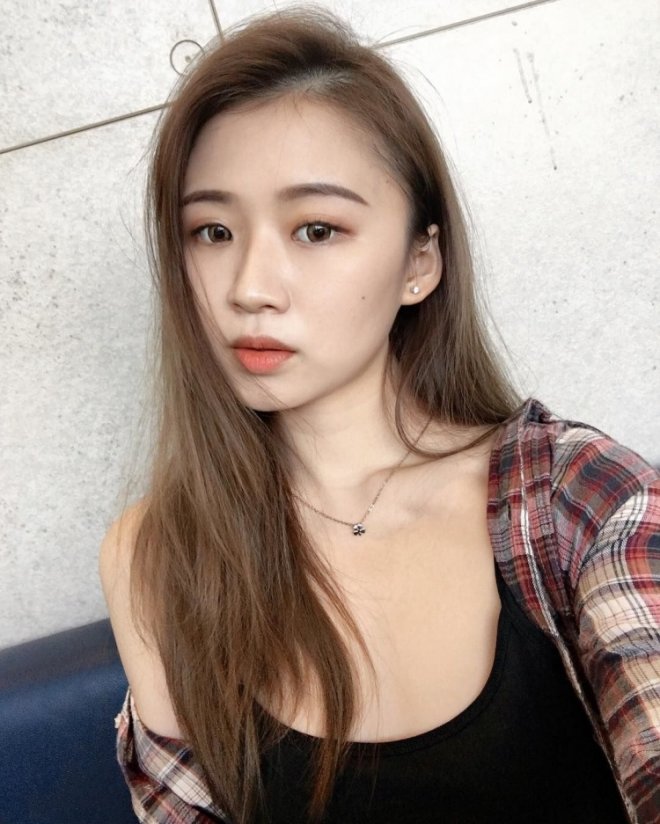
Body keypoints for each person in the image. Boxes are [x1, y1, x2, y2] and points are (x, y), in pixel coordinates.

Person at [99, 8, 660, 824]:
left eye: (316, 229)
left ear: (419, 262)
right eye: (212, 231)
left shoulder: (575, 499)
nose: (249, 287)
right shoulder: (157, 558)